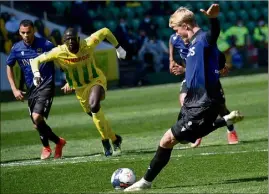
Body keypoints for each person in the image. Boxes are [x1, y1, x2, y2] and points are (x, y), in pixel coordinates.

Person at [124, 4, 244, 192]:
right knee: (188, 137)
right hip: (195, 101)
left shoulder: (203, 38)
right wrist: (219, 66)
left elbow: (214, 35)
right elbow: (218, 56)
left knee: (167, 140)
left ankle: (144, 182)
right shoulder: (194, 44)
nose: (176, 34)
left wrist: (213, 19)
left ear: (186, 26)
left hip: (202, 103)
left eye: (176, 29)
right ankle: (226, 120)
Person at [30, 27, 126, 157]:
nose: (70, 43)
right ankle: (115, 139)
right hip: (79, 89)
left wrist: (118, 48)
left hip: (95, 80)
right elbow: (36, 60)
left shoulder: (87, 44)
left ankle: (105, 141)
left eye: (73, 40)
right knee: (97, 117)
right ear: (64, 42)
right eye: (67, 41)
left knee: (94, 105)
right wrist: (36, 74)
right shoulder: (58, 51)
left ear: (78, 39)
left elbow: (105, 31)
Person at [6, 19, 66, 160]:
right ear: (19, 33)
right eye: (23, 33)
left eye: (28, 32)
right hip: (31, 89)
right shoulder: (17, 48)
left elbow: (60, 59)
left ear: (33, 31)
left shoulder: (45, 44)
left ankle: (46, 147)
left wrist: (68, 79)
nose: (26, 35)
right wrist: (14, 89)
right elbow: (9, 66)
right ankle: (58, 142)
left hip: (46, 85)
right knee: (37, 123)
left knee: (36, 117)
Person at [169, 33, 239, 148]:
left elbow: (206, 66)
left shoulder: (200, 42)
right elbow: (171, 41)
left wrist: (185, 69)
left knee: (222, 109)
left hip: (207, 79)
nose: (176, 32)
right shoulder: (175, 38)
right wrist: (171, 59)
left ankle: (231, 130)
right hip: (190, 79)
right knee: (185, 103)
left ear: (186, 27)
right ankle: (196, 131)